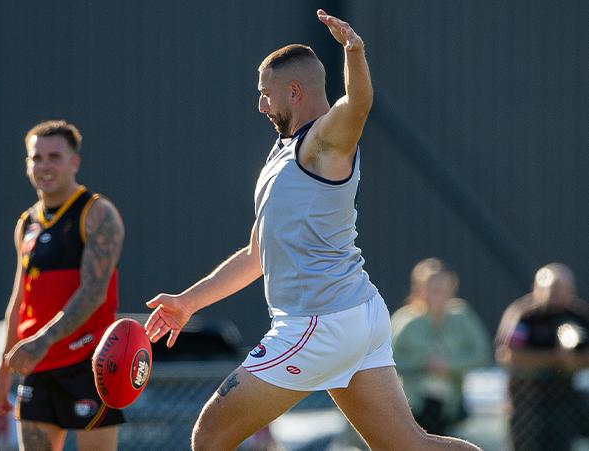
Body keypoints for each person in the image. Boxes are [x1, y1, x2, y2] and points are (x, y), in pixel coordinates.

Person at [144, 10, 481, 450]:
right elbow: (256, 255)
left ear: (295, 92)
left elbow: (357, 105)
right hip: (353, 314)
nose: (261, 105)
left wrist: (354, 52)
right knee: (410, 447)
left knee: (209, 435)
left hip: (319, 323)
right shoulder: (283, 151)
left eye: (266, 94)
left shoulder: (323, 143)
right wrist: (187, 303)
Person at [0, 120, 125, 450]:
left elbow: (93, 293)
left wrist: (42, 340)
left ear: (74, 162)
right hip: (37, 366)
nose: (44, 166)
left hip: (89, 364)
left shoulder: (96, 213)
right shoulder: (27, 223)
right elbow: (19, 300)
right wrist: (3, 372)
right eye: (36, 158)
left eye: (54, 156)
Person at [391, 258, 492, 435]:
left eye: (444, 286)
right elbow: (389, 361)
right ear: (419, 288)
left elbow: (481, 355)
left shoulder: (462, 317)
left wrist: (449, 365)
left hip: (449, 404)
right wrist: (423, 364)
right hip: (414, 403)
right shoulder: (405, 320)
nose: (439, 292)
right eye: (432, 286)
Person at [495, 263, 589, 451]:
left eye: (562, 291)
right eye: (552, 291)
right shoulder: (524, 315)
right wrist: (554, 359)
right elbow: (507, 354)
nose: (556, 297)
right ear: (536, 289)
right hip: (527, 398)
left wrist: (573, 362)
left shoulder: (579, 315)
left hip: (563, 398)